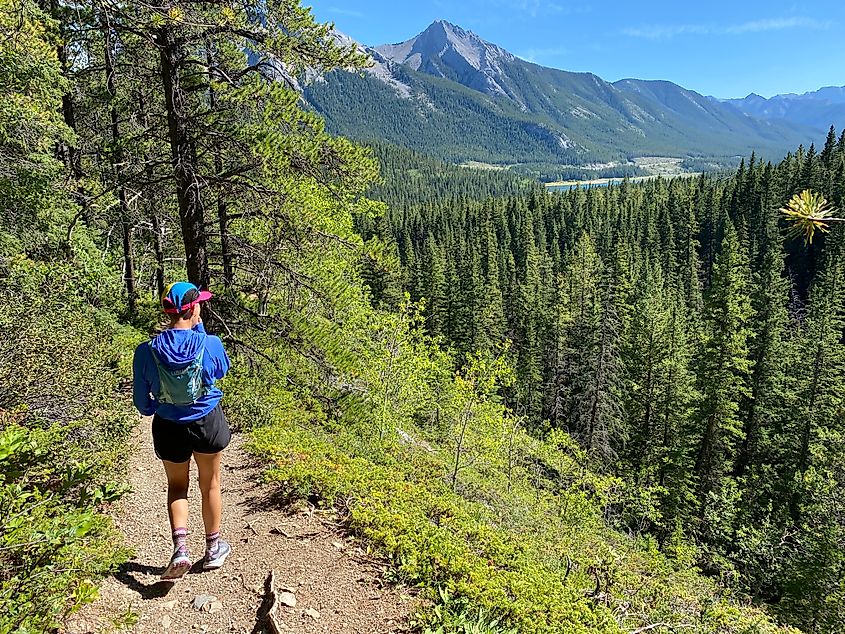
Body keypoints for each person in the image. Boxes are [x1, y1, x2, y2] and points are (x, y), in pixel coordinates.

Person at [132, 282, 232, 580]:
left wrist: (157, 409)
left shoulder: (146, 351)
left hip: (168, 426)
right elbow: (220, 370)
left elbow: (142, 402)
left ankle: (181, 550)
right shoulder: (210, 343)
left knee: (177, 487)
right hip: (207, 422)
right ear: (193, 309)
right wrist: (199, 333)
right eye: (199, 303)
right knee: (210, 484)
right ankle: (213, 550)